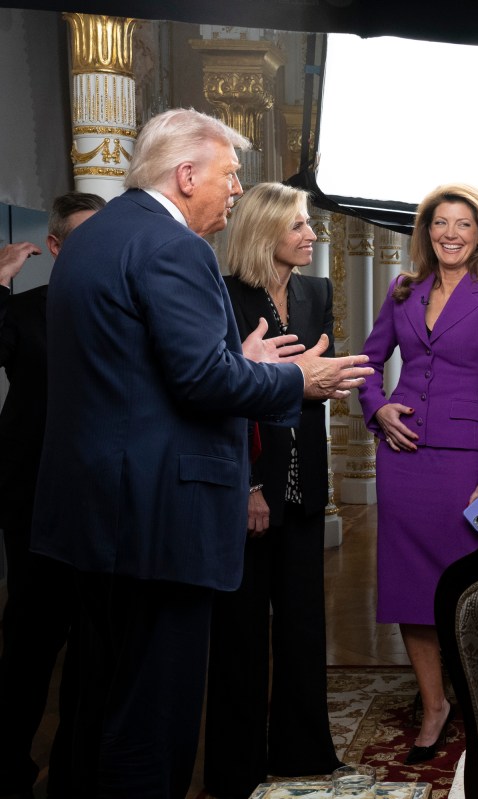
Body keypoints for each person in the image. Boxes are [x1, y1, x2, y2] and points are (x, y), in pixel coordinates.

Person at [28, 107, 373, 799]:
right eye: (230, 175)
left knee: (97, 699)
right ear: (186, 176)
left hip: (96, 514)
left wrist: (233, 357)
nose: (237, 190)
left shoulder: (96, 239)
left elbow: (139, 371)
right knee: (154, 721)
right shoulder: (173, 246)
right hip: (159, 517)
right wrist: (296, 379)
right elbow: (199, 381)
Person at [357, 182, 478, 765]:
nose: (450, 234)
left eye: (462, 224)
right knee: (408, 590)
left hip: (464, 464)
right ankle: (434, 706)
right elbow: (368, 363)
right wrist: (376, 407)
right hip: (403, 456)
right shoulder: (402, 291)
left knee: (468, 588)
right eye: (439, 224)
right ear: (426, 232)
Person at [202, 182, 344, 798]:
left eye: (310, 224)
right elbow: (225, 396)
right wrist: (251, 486)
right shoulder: (225, 296)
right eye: (298, 226)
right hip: (252, 483)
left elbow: (310, 378)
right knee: (239, 632)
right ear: (265, 233)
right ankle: (236, 766)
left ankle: (304, 751)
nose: (311, 234)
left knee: (302, 623)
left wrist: (327, 379)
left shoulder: (317, 292)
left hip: (305, 480)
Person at [0, 193, 105, 799]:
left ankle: (76, 773)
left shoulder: (122, 312)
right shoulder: (25, 311)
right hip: (33, 498)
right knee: (31, 640)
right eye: (82, 240)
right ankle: (9, 765)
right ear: (58, 247)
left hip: (100, 501)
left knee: (94, 645)